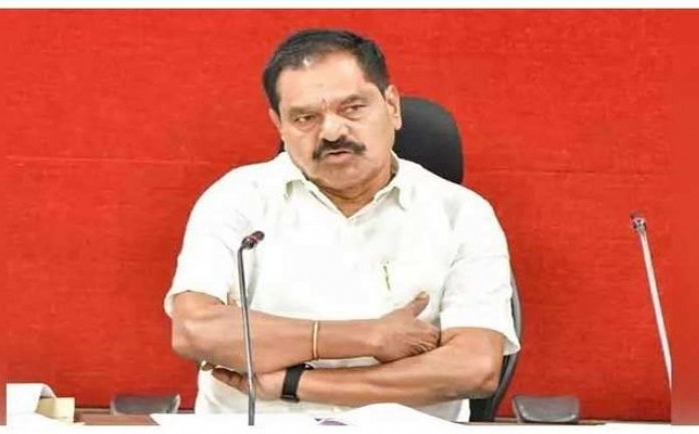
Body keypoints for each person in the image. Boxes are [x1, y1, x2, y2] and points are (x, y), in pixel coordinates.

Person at [164, 28, 520, 422]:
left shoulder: (461, 213)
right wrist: (369, 336)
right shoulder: (238, 199)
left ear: (392, 106)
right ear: (279, 125)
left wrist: (293, 383)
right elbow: (195, 330)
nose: (332, 132)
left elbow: (474, 367)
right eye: (305, 118)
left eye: (352, 108)